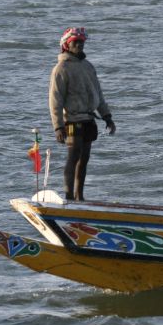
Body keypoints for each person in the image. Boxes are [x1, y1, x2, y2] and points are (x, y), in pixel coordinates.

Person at [48, 27, 116, 201]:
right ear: (66, 45)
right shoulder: (61, 68)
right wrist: (58, 126)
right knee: (73, 156)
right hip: (71, 120)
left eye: (81, 42)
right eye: (75, 43)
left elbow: (98, 94)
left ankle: (80, 196)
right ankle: (69, 196)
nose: (79, 45)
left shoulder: (88, 66)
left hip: (89, 118)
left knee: (84, 158)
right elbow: (55, 100)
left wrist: (107, 116)